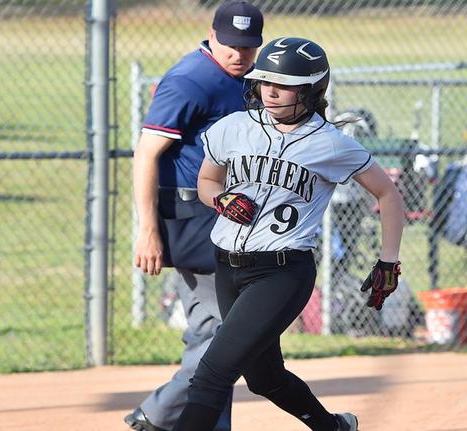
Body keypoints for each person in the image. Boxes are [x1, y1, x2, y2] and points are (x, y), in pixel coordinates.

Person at [172, 37, 405, 431]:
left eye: (285, 85)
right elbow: (208, 180)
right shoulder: (234, 127)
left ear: (312, 91)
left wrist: (388, 259)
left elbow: (389, 193)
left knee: (213, 373)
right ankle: (334, 427)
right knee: (263, 378)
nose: (271, 92)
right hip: (228, 268)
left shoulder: (329, 143)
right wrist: (221, 199)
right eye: (265, 81)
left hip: (282, 272)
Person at [127, 2, 264, 430]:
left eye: (248, 46)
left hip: (227, 216)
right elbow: (146, 154)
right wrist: (148, 231)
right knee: (222, 333)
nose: (239, 54)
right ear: (211, 33)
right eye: (230, 45)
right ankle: (159, 414)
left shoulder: (247, 79)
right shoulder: (190, 80)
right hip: (192, 217)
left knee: (218, 332)